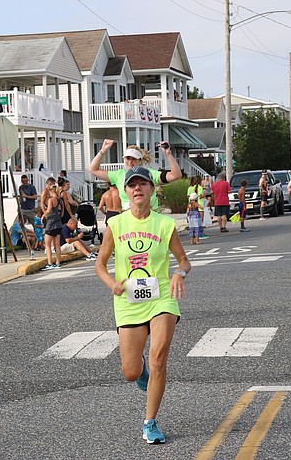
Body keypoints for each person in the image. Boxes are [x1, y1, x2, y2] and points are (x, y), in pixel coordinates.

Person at [95, 166, 189, 445]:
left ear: (151, 190)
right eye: (132, 185)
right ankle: (142, 372)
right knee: (131, 372)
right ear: (125, 191)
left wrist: (179, 273)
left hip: (161, 297)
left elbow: (184, 261)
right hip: (128, 301)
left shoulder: (164, 224)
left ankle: (150, 422)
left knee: (160, 357)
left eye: (143, 184)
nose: (138, 189)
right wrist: (112, 284)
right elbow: (100, 264)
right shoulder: (116, 225)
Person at [88, 139, 182, 210]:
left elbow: (175, 175)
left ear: (140, 160)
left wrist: (168, 154)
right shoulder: (119, 175)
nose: (130, 162)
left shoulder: (149, 173)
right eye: (127, 158)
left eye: (133, 159)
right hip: (129, 220)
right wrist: (103, 150)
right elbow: (93, 169)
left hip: (150, 217)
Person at [40, 177, 64, 271]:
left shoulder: (51, 200)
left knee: (48, 245)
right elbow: (62, 212)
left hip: (51, 223)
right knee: (57, 244)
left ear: (51, 191)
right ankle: (58, 262)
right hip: (58, 223)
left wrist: (43, 215)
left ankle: (50, 263)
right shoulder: (59, 200)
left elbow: (49, 210)